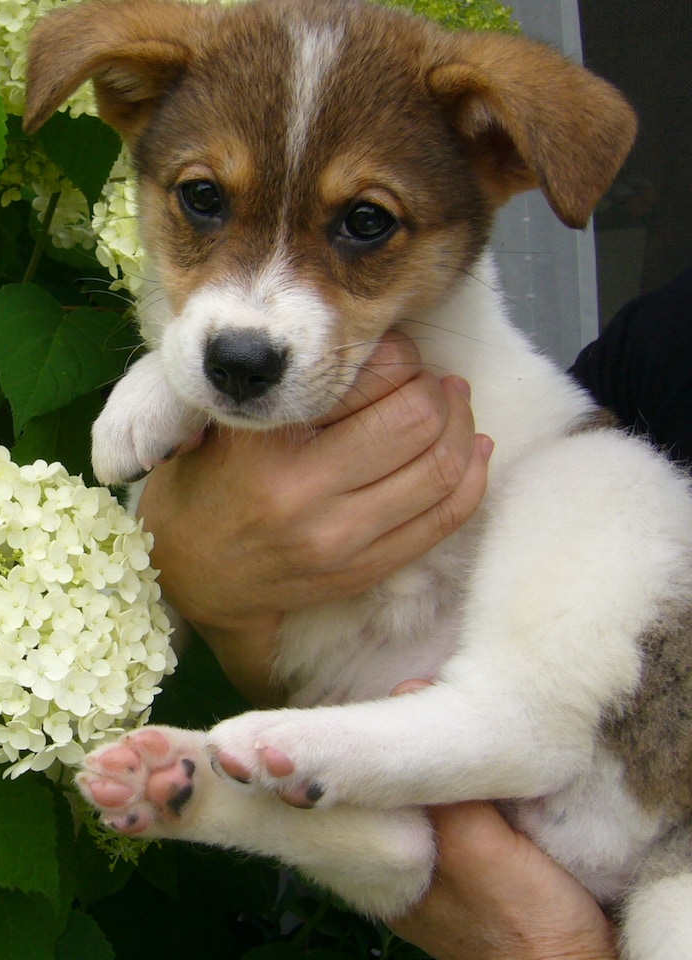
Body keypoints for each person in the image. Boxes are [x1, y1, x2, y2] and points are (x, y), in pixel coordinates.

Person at [134, 266, 691, 960]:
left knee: (603, 472)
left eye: (366, 222)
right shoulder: (664, 341)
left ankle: (495, 734)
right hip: (508, 791)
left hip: (611, 762)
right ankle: (381, 834)